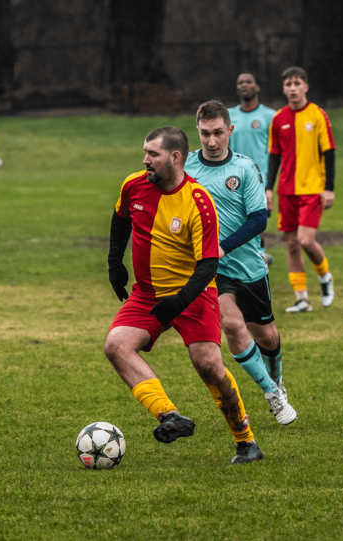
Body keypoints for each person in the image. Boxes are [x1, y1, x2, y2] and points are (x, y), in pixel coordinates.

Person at [104, 126, 264, 464]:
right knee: (116, 345)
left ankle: (246, 441)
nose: (145, 160)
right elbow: (120, 219)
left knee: (209, 366)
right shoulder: (133, 185)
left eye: (153, 154)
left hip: (194, 295)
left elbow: (209, 264)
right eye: (145, 152)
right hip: (147, 295)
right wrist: (114, 263)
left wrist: (179, 301)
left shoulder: (198, 201)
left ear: (175, 158)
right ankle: (170, 416)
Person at [184, 100, 296, 426]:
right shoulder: (186, 168)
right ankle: (271, 393)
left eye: (218, 133)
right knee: (232, 324)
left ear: (230, 130)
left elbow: (259, 219)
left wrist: (224, 246)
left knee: (268, 337)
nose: (212, 141)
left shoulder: (245, 168)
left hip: (248, 265)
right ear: (198, 131)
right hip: (211, 268)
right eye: (205, 133)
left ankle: (277, 379)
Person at [265, 66, 337, 313]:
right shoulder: (278, 119)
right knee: (292, 244)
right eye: (288, 84)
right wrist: (268, 189)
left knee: (306, 240)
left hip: (312, 189)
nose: (293, 88)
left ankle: (325, 276)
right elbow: (274, 156)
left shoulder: (317, 114)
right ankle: (302, 298)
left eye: (297, 83)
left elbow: (329, 153)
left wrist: (329, 189)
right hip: (286, 191)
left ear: (305, 86)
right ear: (284, 89)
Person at [228, 73, 277, 266]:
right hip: (235, 177)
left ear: (257, 87)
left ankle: (260, 255)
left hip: (260, 177)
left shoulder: (270, 116)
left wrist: (270, 181)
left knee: (257, 218)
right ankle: (242, 256)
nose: (244, 85)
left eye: (249, 82)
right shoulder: (229, 116)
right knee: (235, 218)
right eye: (240, 82)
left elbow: (275, 151)